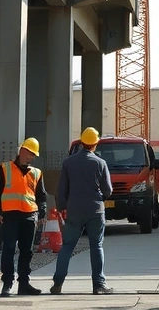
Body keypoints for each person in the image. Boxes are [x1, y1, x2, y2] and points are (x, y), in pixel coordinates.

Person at [50, 127, 113, 296]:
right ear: (95, 143)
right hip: (95, 210)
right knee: (96, 246)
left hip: (74, 210)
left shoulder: (68, 162)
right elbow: (108, 190)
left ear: (81, 141)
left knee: (68, 246)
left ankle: (58, 283)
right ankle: (99, 285)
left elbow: (61, 189)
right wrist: (100, 199)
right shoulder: (100, 163)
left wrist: (63, 207)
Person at [0, 137, 48, 296]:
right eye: (30, 154)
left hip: (29, 216)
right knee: (8, 249)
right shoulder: (5, 168)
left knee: (27, 251)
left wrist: (42, 213)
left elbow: (41, 196)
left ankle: (24, 283)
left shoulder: (36, 173)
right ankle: (7, 283)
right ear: (22, 151)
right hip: (9, 216)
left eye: (33, 155)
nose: (32, 157)